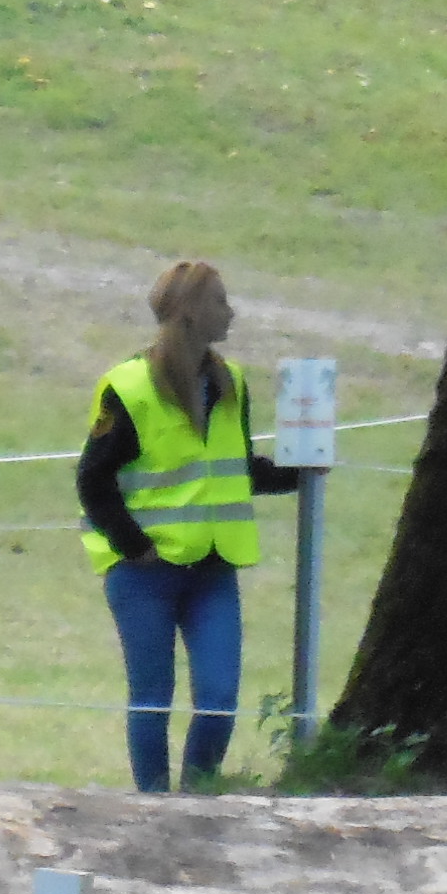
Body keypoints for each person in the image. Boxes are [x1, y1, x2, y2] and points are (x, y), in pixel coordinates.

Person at [76, 260, 301, 793]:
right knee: (152, 697)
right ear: (190, 313)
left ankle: (198, 799)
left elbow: (235, 468)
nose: (231, 311)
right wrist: (134, 548)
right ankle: (153, 807)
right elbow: (93, 480)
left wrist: (299, 474)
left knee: (219, 698)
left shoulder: (232, 383)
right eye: (220, 301)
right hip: (145, 573)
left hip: (214, 566)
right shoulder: (128, 388)